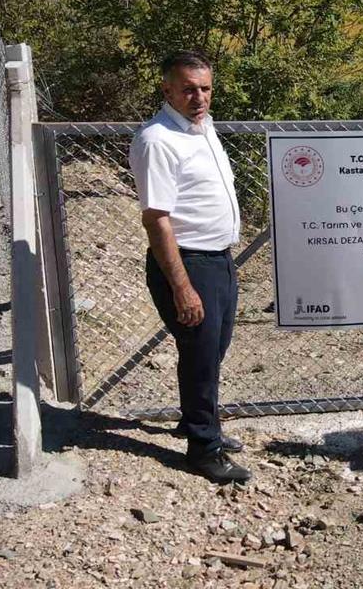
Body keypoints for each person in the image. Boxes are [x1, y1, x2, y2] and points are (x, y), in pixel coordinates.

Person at [128, 50, 251, 483]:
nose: (199, 98)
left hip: (218, 259)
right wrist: (182, 287)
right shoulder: (157, 140)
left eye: (205, 89)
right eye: (188, 90)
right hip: (189, 262)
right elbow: (157, 219)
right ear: (167, 91)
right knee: (200, 357)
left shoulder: (202, 128)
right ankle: (203, 449)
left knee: (211, 351)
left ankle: (199, 422)